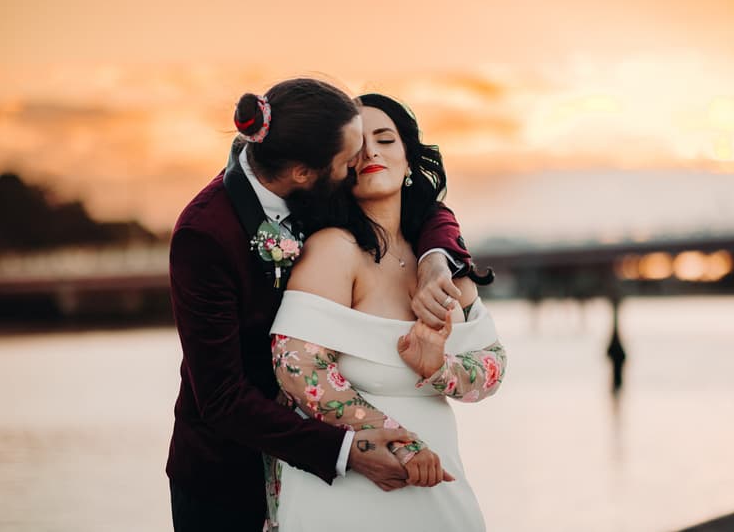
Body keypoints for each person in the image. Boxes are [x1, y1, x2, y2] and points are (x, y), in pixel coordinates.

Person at [166, 79, 473, 532]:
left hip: (337, 471)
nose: (362, 163)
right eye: (349, 159)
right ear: (304, 175)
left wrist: (434, 260)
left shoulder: (308, 160)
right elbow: (221, 397)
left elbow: (424, 206)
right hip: (229, 475)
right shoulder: (204, 235)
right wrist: (348, 451)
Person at [267, 93, 507, 531]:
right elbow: (297, 368)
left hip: (439, 489)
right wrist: (399, 443)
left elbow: (491, 371)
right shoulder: (333, 251)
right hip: (348, 494)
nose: (372, 152)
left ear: (409, 158)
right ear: (339, 166)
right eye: (357, 146)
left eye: (385, 139)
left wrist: (439, 368)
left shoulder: (441, 265)